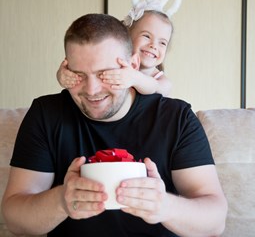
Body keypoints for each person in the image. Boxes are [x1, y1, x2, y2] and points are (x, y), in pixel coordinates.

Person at [1, 13, 227, 237]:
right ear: (65, 69)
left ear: (133, 64)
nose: (91, 90)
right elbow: (15, 220)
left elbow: (215, 222)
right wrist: (61, 201)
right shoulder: (46, 114)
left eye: (104, 74)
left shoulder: (177, 118)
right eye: (78, 75)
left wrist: (165, 207)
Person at [56, 0, 184, 97]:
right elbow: (86, 69)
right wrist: (63, 75)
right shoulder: (114, 62)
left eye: (162, 43)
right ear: (126, 36)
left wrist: (135, 78)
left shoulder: (160, 80)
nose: (154, 46)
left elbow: (158, 88)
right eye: (146, 36)